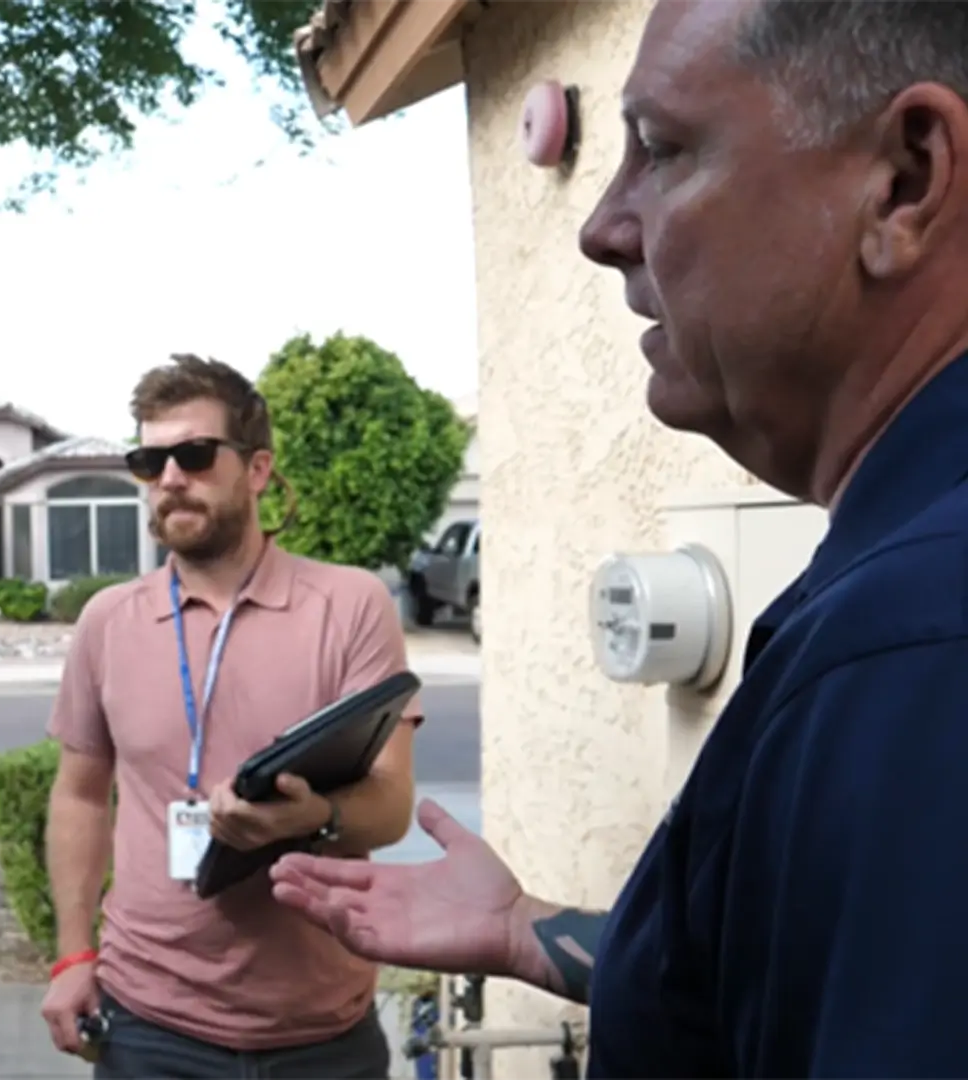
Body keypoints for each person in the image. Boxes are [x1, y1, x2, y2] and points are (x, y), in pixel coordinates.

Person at [272, 0, 968, 1075]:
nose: (601, 226)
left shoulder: (915, 652)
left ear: (905, 180)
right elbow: (780, 977)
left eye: (664, 148)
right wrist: (526, 931)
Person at [39, 354, 423, 1079]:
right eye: (149, 461)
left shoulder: (349, 606)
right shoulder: (108, 621)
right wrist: (71, 956)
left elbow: (391, 804)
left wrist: (308, 819)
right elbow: (81, 794)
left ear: (256, 468)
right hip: (149, 1025)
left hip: (321, 1030)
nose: (171, 478)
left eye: (194, 453)